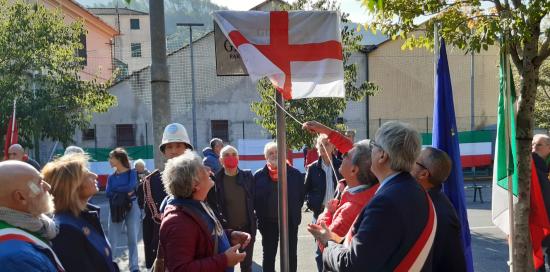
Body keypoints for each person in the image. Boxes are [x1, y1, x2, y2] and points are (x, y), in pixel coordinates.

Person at [310, 121, 436, 271]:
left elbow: (353, 266)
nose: (370, 151)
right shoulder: (412, 189)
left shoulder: (385, 203)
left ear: (382, 156)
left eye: (374, 146)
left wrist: (328, 241)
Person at [159, 150, 251, 271]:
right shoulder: (177, 222)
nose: (208, 170)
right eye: (203, 168)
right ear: (195, 183)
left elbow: (205, 238)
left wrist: (229, 236)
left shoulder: (197, 205)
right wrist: (224, 260)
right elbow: (181, 269)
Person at [43, 153, 119, 272]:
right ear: (72, 186)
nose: (95, 175)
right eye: (86, 175)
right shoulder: (64, 229)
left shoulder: (83, 216)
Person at [139, 122, 193, 269]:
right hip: (164, 255)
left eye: (179, 146)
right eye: (169, 147)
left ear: (187, 149)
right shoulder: (151, 182)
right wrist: (151, 262)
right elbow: (149, 226)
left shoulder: (201, 179)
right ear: (163, 151)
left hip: (195, 254)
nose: (174, 151)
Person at [0, 160, 63, 271]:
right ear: (21, 197)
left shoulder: (33, 226)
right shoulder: (18, 258)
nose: (48, 187)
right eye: (40, 182)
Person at [411, 147, 466, 271]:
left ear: (424, 174)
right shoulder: (426, 201)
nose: (408, 164)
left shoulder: (437, 212)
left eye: (413, 161)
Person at [254, 142, 305, 272]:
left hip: (289, 223)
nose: (274, 155)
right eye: (270, 153)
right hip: (268, 224)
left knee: (291, 256)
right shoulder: (258, 176)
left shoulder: (295, 174)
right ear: (266, 157)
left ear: (283, 154)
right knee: (269, 256)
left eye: (277, 152)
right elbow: (255, 200)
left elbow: (300, 197)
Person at [207, 145, 256, 272]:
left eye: (234, 154)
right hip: (226, 232)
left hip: (247, 229)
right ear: (221, 160)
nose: (231, 157)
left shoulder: (247, 176)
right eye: (227, 155)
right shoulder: (215, 180)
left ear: (238, 158)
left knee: (247, 266)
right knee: (227, 267)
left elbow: (255, 200)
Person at [106, 148, 140, 272]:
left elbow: (131, 186)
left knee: (132, 239)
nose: (109, 160)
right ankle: (109, 266)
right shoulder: (111, 177)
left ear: (119, 159)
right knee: (112, 239)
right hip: (116, 208)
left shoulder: (132, 172)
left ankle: (134, 267)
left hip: (132, 206)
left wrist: (117, 190)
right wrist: (125, 193)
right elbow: (108, 193)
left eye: (111, 157)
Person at [532, 134, 550, 272]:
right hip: (541, 220)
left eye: (538, 144)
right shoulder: (534, 165)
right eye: (532, 144)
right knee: (539, 261)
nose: (534, 148)